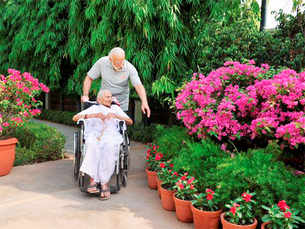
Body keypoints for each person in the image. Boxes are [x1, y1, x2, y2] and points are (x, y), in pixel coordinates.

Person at [73, 89, 133, 200]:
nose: (110, 99)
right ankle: (93, 181)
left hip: (111, 135)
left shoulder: (115, 109)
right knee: (92, 146)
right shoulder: (94, 108)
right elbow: (75, 118)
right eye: (107, 97)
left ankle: (105, 182)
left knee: (109, 148)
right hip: (95, 134)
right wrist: (94, 115)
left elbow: (129, 121)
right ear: (100, 99)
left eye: (110, 97)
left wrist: (116, 116)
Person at [81, 47, 151, 117]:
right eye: (117, 64)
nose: (120, 66)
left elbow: (138, 86)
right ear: (110, 59)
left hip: (121, 104)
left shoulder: (130, 68)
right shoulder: (102, 62)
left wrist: (144, 102)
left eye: (121, 63)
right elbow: (89, 78)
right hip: (103, 101)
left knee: (120, 125)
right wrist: (85, 95)